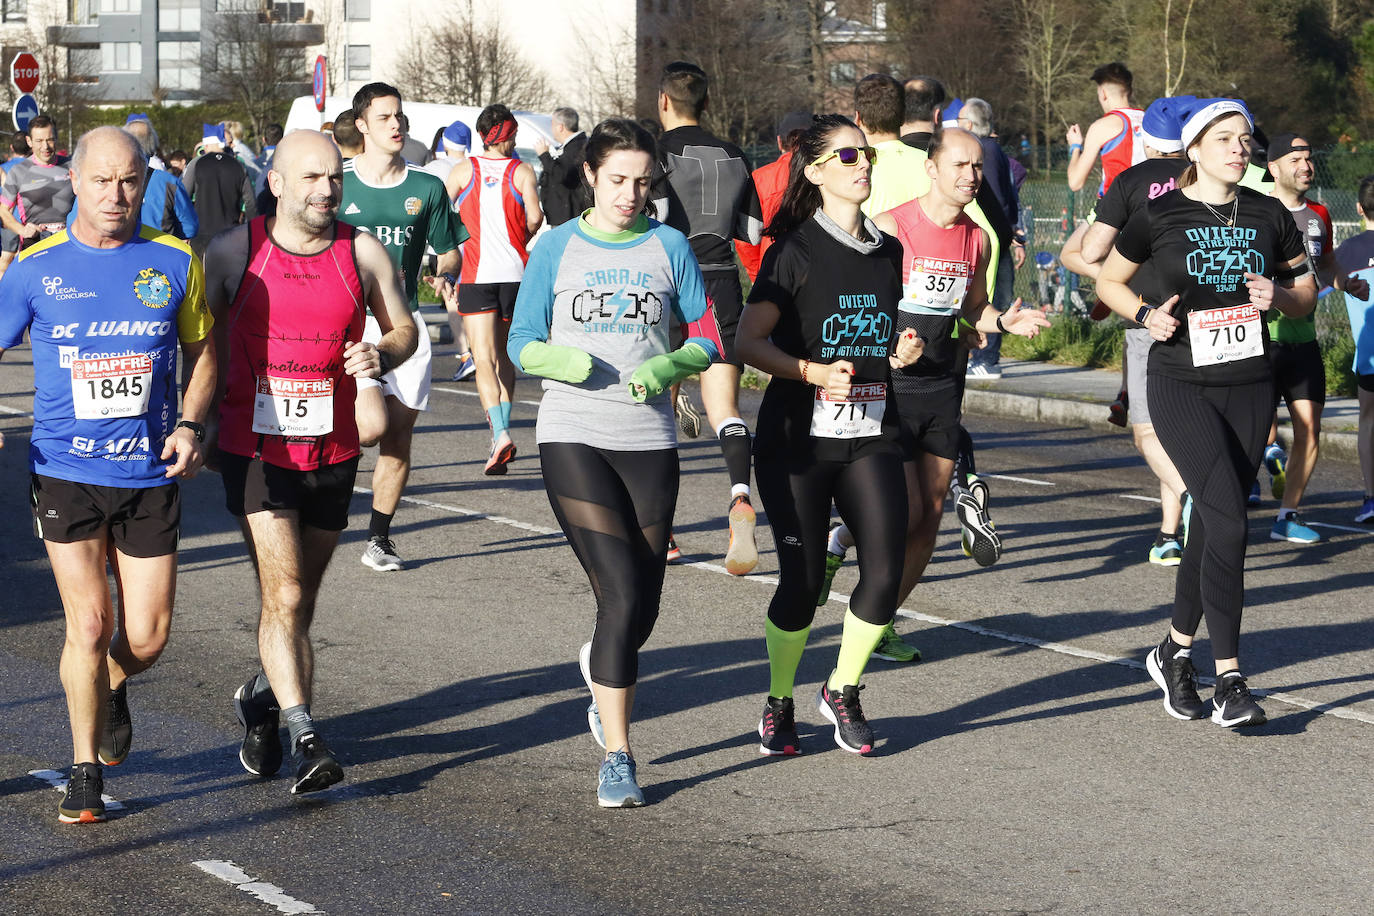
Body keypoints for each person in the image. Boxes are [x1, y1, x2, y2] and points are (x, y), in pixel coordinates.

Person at [0, 126, 216, 823]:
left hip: (149, 473)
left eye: (130, 180)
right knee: (89, 625)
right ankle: (84, 769)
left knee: (145, 637)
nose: (117, 195)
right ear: (76, 180)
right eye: (102, 181)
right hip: (65, 470)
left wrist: (189, 423)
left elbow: (202, 350)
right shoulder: (36, 267)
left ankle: (112, 681)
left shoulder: (173, 259)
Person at [506, 118, 724, 805]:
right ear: (591, 177)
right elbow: (521, 340)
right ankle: (619, 756)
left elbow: (708, 334)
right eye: (618, 179)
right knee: (622, 593)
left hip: (649, 439)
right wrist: (566, 361)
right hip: (574, 434)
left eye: (643, 181)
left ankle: (605, 678)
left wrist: (669, 365)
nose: (631, 193)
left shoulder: (669, 246)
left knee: (642, 606)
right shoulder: (558, 248)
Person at [206, 129, 418, 795]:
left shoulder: (361, 250)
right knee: (288, 593)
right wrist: (188, 420)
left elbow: (405, 328)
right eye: (311, 178)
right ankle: (305, 734)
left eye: (334, 178)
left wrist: (380, 355)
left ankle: (262, 702)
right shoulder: (234, 251)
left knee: (300, 603)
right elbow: (196, 339)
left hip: (334, 449)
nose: (327, 190)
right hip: (255, 447)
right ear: (276, 183)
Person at [1097, 98, 1316, 728]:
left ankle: (1172, 651)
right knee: (1228, 520)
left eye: (1244, 139)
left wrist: (1283, 295)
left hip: (1251, 382)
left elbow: (1305, 296)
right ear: (1193, 150)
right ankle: (1230, 680)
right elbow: (1108, 281)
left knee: (1215, 525)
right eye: (1223, 138)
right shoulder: (1161, 213)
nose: (1238, 148)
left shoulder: (1270, 214)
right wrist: (1145, 315)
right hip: (1180, 381)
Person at [736, 115, 924, 756]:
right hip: (797, 438)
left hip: (872, 427)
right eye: (847, 156)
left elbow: (887, 325)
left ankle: (841, 689)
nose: (862, 164)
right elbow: (747, 340)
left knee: (886, 562)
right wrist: (810, 370)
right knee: (802, 580)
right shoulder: (795, 251)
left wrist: (903, 344)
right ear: (815, 172)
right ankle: (780, 700)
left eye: (866, 153)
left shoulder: (889, 251)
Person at [343, 82, 466, 572]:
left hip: (405, 326)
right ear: (362, 125)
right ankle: (314, 503)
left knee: (395, 437)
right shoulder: (339, 181)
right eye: (385, 117)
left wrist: (443, 268)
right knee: (362, 432)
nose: (397, 125)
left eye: (400, 117)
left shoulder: (427, 187)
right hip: (350, 325)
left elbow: (450, 249)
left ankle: (379, 538)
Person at [653, 61, 764, 575]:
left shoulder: (655, 154)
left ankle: (665, 533)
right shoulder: (735, 155)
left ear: (663, 101)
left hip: (667, 284)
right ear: (706, 103)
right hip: (720, 285)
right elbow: (753, 230)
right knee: (725, 409)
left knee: (658, 416)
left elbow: (646, 218)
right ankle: (741, 495)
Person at [1073, 95, 1194, 566]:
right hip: (1212, 314)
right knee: (1182, 428)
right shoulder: (1215, 178)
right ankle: (1169, 534)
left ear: (1146, 140)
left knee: (1148, 430)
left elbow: (1090, 250)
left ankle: (1199, 497)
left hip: (1149, 316)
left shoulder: (1131, 180)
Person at [1262, 132, 1369, 542]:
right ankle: (1218, 505)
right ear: (1273, 167)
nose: (1306, 166)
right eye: (1296, 159)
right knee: (1251, 430)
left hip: (1302, 339)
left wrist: (1346, 282)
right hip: (1257, 339)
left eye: (1308, 158)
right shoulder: (1254, 209)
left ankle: (1287, 515)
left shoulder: (1319, 214)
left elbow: (1325, 265)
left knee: (1310, 428)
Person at [446, 104, 543, 473]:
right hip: (516, 275)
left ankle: (500, 433)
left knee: (481, 357)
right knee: (504, 357)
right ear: (509, 134)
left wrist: (456, 242)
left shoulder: (463, 170)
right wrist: (520, 237)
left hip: (476, 274)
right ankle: (502, 431)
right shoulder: (522, 171)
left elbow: (440, 209)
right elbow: (535, 217)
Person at [960, 98, 1027, 380]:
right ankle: (986, 356)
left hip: (991, 238)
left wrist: (1003, 233)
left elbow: (995, 199)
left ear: (971, 125)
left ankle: (986, 358)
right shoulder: (996, 150)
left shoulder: (984, 151)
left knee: (990, 297)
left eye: (961, 121)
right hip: (1000, 235)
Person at [1333, 176, 1374, 523]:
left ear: (1359, 209)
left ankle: (1371, 498)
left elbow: (1316, 287)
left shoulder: (1346, 252)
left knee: (1368, 423)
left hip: (1369, 355)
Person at [734, 110, 812, 283]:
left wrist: (757, 275)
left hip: (773, 272)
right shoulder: (826, 173)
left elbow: (745, 238)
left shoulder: (758, 178)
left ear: (779, 141)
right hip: (817, 269)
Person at [1065, 62, 1145, 198]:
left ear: (1103, 94)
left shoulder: (1102, 127)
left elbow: (1075, 182)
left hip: (1119, 209)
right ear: (1130, 92)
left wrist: (1075, 146)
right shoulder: (1151, 120)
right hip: (1153, 206)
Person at [0, 116, 75, 254]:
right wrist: (21, 230)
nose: (45, 146)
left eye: (50, 140)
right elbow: (3, 211)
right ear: (29, 141)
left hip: (67, 243)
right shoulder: (18, 171)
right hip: (34, 244)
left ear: (56, 138)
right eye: (39, 141)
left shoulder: (71, 166)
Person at [183, 124, 257, 258]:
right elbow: (251, 202)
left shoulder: (196, 164)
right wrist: (253, 233)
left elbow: (182, 197)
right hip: (231, 236)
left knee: (203, 278)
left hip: (201, 236)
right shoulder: (238, 164)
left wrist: (184, 231)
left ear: (207, 144)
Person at [123, 116, 199, 240]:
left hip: (119, 252)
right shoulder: (169, 182)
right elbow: (190, 228)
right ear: (153, 148)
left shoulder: (105, 180)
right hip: (160, 253)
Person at [534, 106, 591, 227]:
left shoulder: (577, 147)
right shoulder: (569, 147)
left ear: (560, 127)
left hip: (568, 218)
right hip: (563, 216)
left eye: (552, 124)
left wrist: (544, 155)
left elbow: (562, 175)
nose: (551, 128)